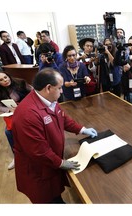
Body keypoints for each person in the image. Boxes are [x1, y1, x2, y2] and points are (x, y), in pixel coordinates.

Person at [12, 68, 98, 204]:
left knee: (55, 196)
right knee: (48, 201)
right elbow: (39, 151)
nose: (62, 91)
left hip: (50, 165)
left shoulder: (48, 99)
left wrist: (82, 129)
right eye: (60, 88)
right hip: (38, 172)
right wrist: (61, 163)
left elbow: (62, 118)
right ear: (48, 88)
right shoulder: (27, 115)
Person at [0, 71, 32, 170]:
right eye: (1, 80)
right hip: (14, 114)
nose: (5, 80)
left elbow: (34, 93)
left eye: (5, 77)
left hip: (29, 110)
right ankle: (17, 156)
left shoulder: (21, 83)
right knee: (8, 132)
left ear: (9, 76)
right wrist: (9, 109)